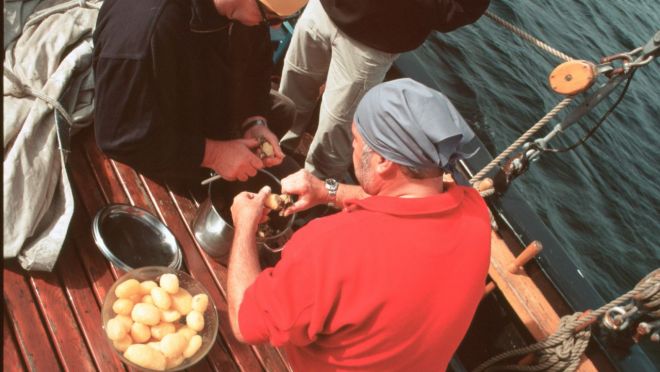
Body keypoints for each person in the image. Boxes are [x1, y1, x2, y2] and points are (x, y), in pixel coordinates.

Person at [227, 78, 491, 370]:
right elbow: (407, 200)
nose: (352, 148)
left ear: (382, 162)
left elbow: (244, 322)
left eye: (355, 139)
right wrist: (326, 191)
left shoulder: (330, 247)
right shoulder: (475, 213)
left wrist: (244, 225)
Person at [93, 0, 307, 184]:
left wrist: (254, 121)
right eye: (271, 16)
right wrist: (213, 154)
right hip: (158, 134)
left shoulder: (245, 11)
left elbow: (256, 67)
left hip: (202, 97)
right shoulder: (145, 35)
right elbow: (118, 135)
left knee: (285, 110)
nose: (277, 26)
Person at [278, 0, 491, 180]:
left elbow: (464, 7)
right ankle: (275, 149)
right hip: (323, 8)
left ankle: (317, 186)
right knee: (293, 84)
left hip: (373, 42)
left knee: (336, 125)